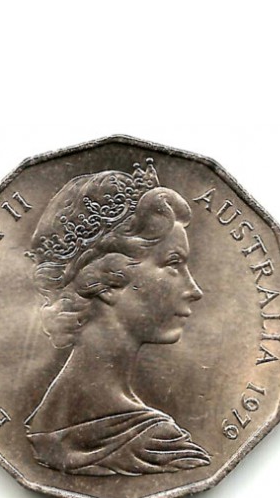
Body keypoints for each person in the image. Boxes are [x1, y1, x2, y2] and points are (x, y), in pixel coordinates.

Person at [24, 159, 210, 476]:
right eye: (173, 263)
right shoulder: (160, 445)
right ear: (108, 280)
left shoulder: (42, 423)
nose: (194, 290)